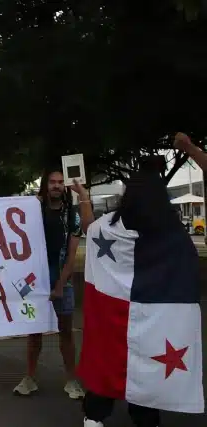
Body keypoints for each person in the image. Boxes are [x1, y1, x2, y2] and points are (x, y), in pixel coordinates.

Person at [75, 138, 204, 426]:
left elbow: (88, 227)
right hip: (156, 325)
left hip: (112, 327)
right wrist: (193, 150)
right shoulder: (173, 237)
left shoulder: (107, 228)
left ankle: (94, 419)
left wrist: (83, 196)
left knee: (107, 367)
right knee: (146, 376)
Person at [13, 169, 85, 400]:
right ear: (45, 185)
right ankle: (29, 378)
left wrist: (60, 286)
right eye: (52, 182)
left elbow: (72, 255)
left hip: (62, 281)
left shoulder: (71, 215)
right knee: (34, 332)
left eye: (60, 182)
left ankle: (71, 381)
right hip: (34, 282)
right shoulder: (33, 212)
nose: (56, 186)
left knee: (66, 332)